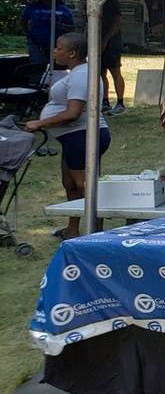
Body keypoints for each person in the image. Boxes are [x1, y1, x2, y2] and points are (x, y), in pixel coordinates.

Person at [24, 33, 110, 240]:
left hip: (82, 137)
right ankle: (72, 229)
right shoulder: (76, 73)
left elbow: (73, 113)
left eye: (58, 48)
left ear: (73, 53)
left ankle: (96, 232)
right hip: (72, 138)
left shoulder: (82, 75)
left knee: (85, 186)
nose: (54, 51)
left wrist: (40, 123)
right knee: (70, 184)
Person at [20, 0, 75, 68]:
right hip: (37, 46)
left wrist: (61, 26)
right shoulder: (32, 7)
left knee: (57, 70)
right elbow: (23, 21)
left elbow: (72, 28)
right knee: (37, 71)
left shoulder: (64, 9)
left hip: (58, 47)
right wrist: (29, 35)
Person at [100, 0, 126, 115]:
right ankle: (105, 101)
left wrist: (106, 40)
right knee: (101, 73)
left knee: (115, 72)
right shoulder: (92, 1)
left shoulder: (112, 2)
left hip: (112, 43)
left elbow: (118, 22)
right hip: (98, 41)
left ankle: (120, 103)